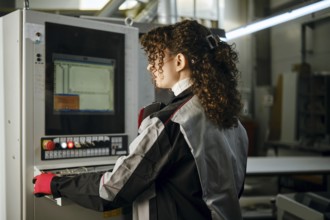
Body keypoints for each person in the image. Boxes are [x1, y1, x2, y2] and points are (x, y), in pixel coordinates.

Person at [33, 20, 248, 220]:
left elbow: (111, 190)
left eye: (156, 57)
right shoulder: (232, 121)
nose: (149, 66)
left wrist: (54, 183)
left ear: (179, 61)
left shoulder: (171, 122)